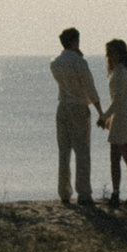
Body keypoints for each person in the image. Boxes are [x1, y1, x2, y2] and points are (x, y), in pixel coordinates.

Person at [48, 28, 103, 206]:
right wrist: (100, 112)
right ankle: (84, 193)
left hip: (62, 106)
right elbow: (90, 89)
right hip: (79, 107)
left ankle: (64, 192)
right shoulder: (80, 63)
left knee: (64, 151)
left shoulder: (55, 63)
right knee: (82, 152)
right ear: (75, 42)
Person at [101, 37, 127, 204]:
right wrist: (110, 117)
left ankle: (125, 193)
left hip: (122, 117)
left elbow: (118, 101)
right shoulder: (120, 71)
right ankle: (123, 193)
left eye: (110, 52)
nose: (108, 56)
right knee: (121, 157)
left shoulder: (119, 73)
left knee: (123, 157)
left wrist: (105, 116)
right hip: (122, 116)